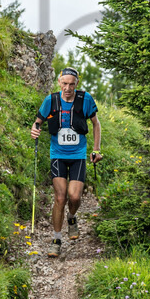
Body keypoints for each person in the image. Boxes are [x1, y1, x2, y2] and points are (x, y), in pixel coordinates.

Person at [30, 66, 102, 257]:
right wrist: (35, 129)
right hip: (58, 155)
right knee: (60, 198)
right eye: (65, 84)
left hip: (78, 156)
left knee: (75, 197)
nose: (68, 88)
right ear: (59, 82)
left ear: (77, 84)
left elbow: (96, 124)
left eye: (72, 84)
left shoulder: (85, 99)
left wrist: (96, 149)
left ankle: (71, 217)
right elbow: (38, 121)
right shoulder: (51, 100)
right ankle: (56, 240)